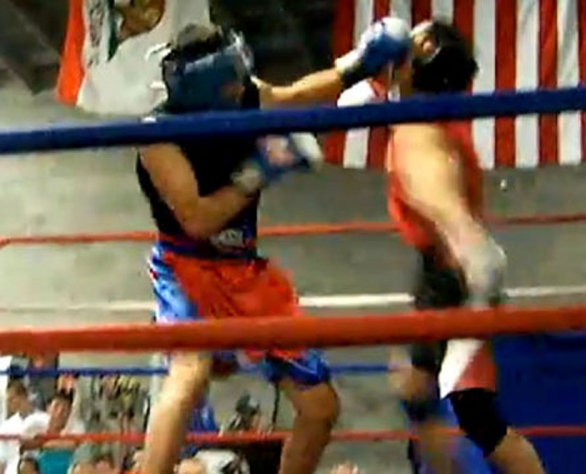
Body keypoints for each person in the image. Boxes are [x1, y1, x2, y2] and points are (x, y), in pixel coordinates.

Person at [137, 17, 412, 474]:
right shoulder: (158, 135)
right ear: (206, 87)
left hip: (244, 272)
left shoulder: (246, 95)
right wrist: (261, 171)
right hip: (187, 267)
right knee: (189, 374)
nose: (238, 88)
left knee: (320, 407)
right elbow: (197, 220)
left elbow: (299, 95)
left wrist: (359, 65)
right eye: (229, 84)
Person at [384, 19, 546, 474]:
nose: (396, 63)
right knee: (433, 397)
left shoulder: (417, 133)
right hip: (450, 267)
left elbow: (440, 199)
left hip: (451, 270)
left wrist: (466, 250)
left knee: (461, 409)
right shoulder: (427, 122)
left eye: (406, 56)